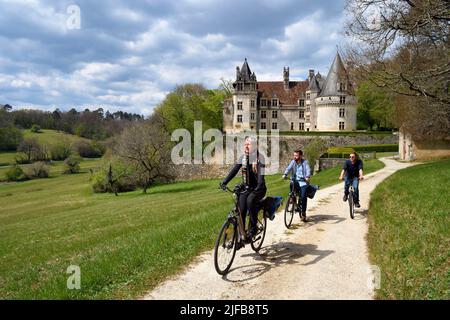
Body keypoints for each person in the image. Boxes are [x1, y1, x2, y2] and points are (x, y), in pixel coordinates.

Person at [219, 136, 266, 240]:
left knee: (250, 201)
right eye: (245, 144)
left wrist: (258, 186)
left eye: (248, 144)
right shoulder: (243, 158)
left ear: (254, 146)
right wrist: (224, 182)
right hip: (247, 188)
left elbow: (260, 177)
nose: (246, 146)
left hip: (259, 188)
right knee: (241, 209)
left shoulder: (260, 158)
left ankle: (253, 228)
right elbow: (234, 170)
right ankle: (242, 235)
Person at [282, 150, 311, 222]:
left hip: (303, 182)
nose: (295, 157)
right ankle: (292, 197)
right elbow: (288, 168)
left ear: (301, 156)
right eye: (294, 155)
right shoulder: (293, 162)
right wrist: (285, 174)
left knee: (303, 196)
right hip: (296, 181)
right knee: (292, 183)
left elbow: (308, 170)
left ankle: (303, 213)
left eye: (296, 155)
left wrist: (307, 176)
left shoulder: (305, 163)